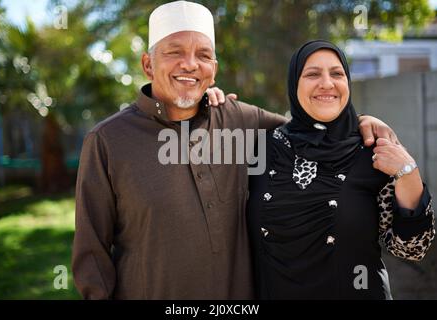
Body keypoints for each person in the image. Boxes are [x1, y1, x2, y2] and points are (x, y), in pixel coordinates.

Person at [72, 1, 399, 299]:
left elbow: (311, 124)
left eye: (203, 55)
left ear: (213, 67)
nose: (190, 64)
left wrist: (364, 122)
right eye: (174, 52)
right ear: (147, 64)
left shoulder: (241, 119)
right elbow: (92, 257)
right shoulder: (107, 141)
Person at [247, 40, 435, 300]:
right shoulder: (261, 150)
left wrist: (408, 173)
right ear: (294, 83)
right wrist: (210, 99)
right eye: (312, 74)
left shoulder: (372, 150)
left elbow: (412, 249)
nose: (327, 83)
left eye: (337, 74)